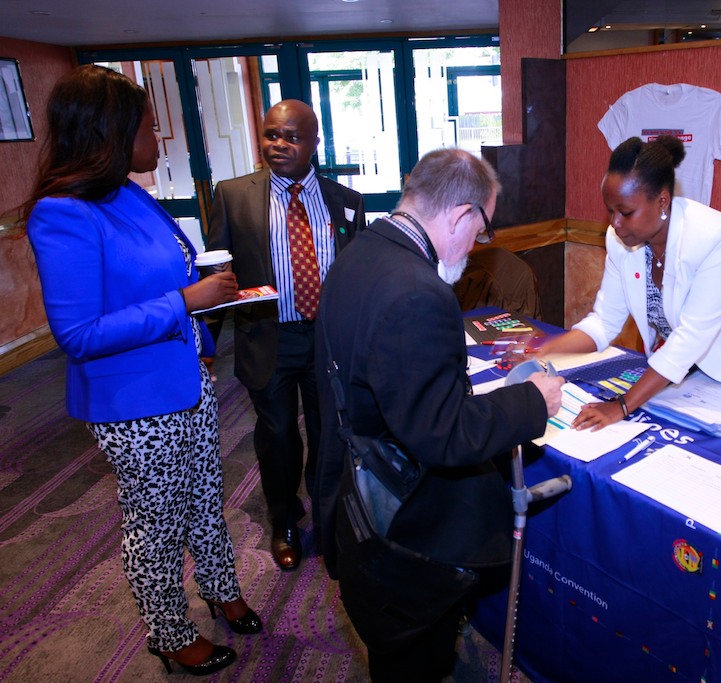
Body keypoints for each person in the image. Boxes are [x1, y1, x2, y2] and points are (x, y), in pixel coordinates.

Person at [24, 65, 260, 676]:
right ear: (111, 132)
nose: (157, 138)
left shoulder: (129, 193)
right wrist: (185, 302)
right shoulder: (63, 214)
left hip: (186, 378)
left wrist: (204, 320)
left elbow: (163, 279)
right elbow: (79, 335)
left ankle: (221, 590)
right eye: (148, 127)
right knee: (157, 523)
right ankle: (169, 632)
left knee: (205, 497)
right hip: (133, 403)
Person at [314, 148, 565, 682]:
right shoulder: (418, 292)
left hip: (357, 490)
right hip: (405, 530)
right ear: (461, 215)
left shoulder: (359, 252)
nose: (476, 246)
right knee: (415, 662)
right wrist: (531, 401)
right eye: (482, 230)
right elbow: (443, 434)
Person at [540, 135, 721, 430]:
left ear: (662, 201)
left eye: (625, 212)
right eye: (610, 210)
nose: (615, 223)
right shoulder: (621, 240)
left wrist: (622, 406)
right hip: (699, 360)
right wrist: (545, 349)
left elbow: (691, 336)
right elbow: (605, 321)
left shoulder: (717, 237)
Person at [207, 99, 367, 571]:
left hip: (327, 340)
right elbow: (217, 273)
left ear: (315, 142)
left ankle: (329, 515)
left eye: (291, 137)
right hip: (268, 337)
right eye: (271, 134)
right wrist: (206, 345)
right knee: (277, 436)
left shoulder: (345, 201)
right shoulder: (233, 196)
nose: (278, 145)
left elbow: (360, 275)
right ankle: (284, 520)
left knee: (329, 432)